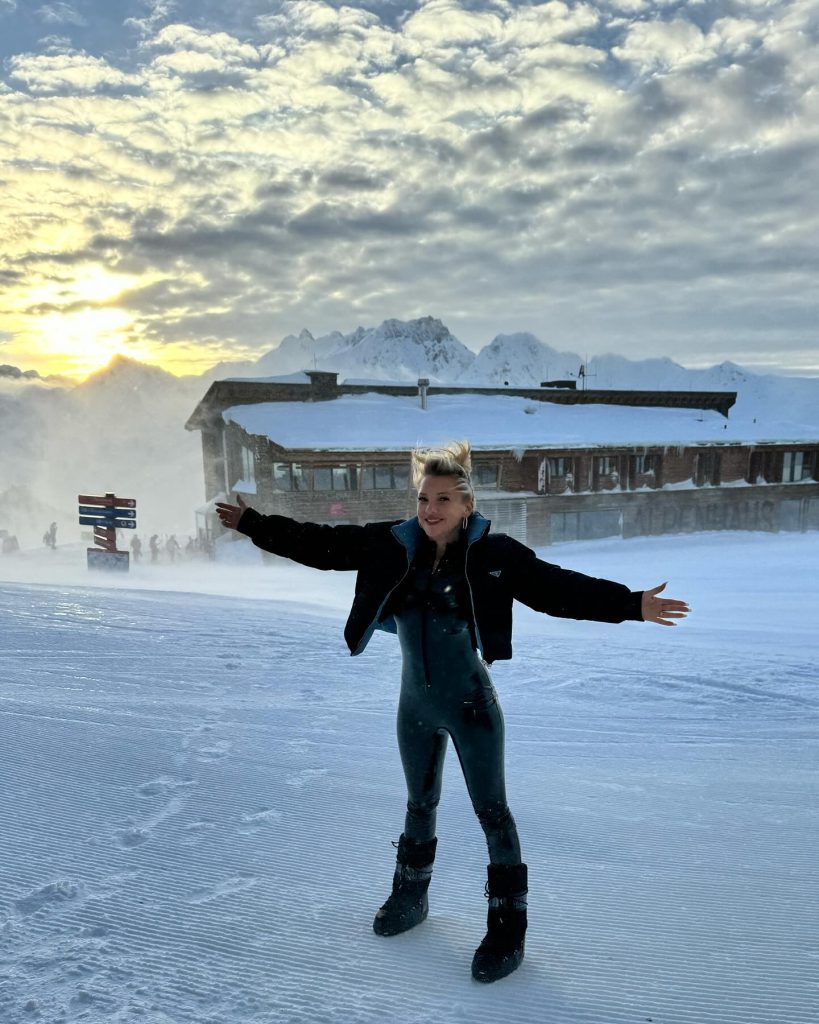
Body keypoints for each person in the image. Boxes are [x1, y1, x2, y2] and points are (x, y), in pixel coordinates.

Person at [216, 440, 689, 983]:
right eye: (423, 498)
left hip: (472, 707)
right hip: (413, 702)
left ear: (467, 505)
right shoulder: (392, 543)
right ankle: (410, 897)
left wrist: (632, 604)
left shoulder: (493, 555)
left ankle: (508, 927)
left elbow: (557, 589)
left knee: (493, 813)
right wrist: (254, 523)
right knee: (419, 804)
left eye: (443, 499)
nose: (430, 509)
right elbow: (321, 544)